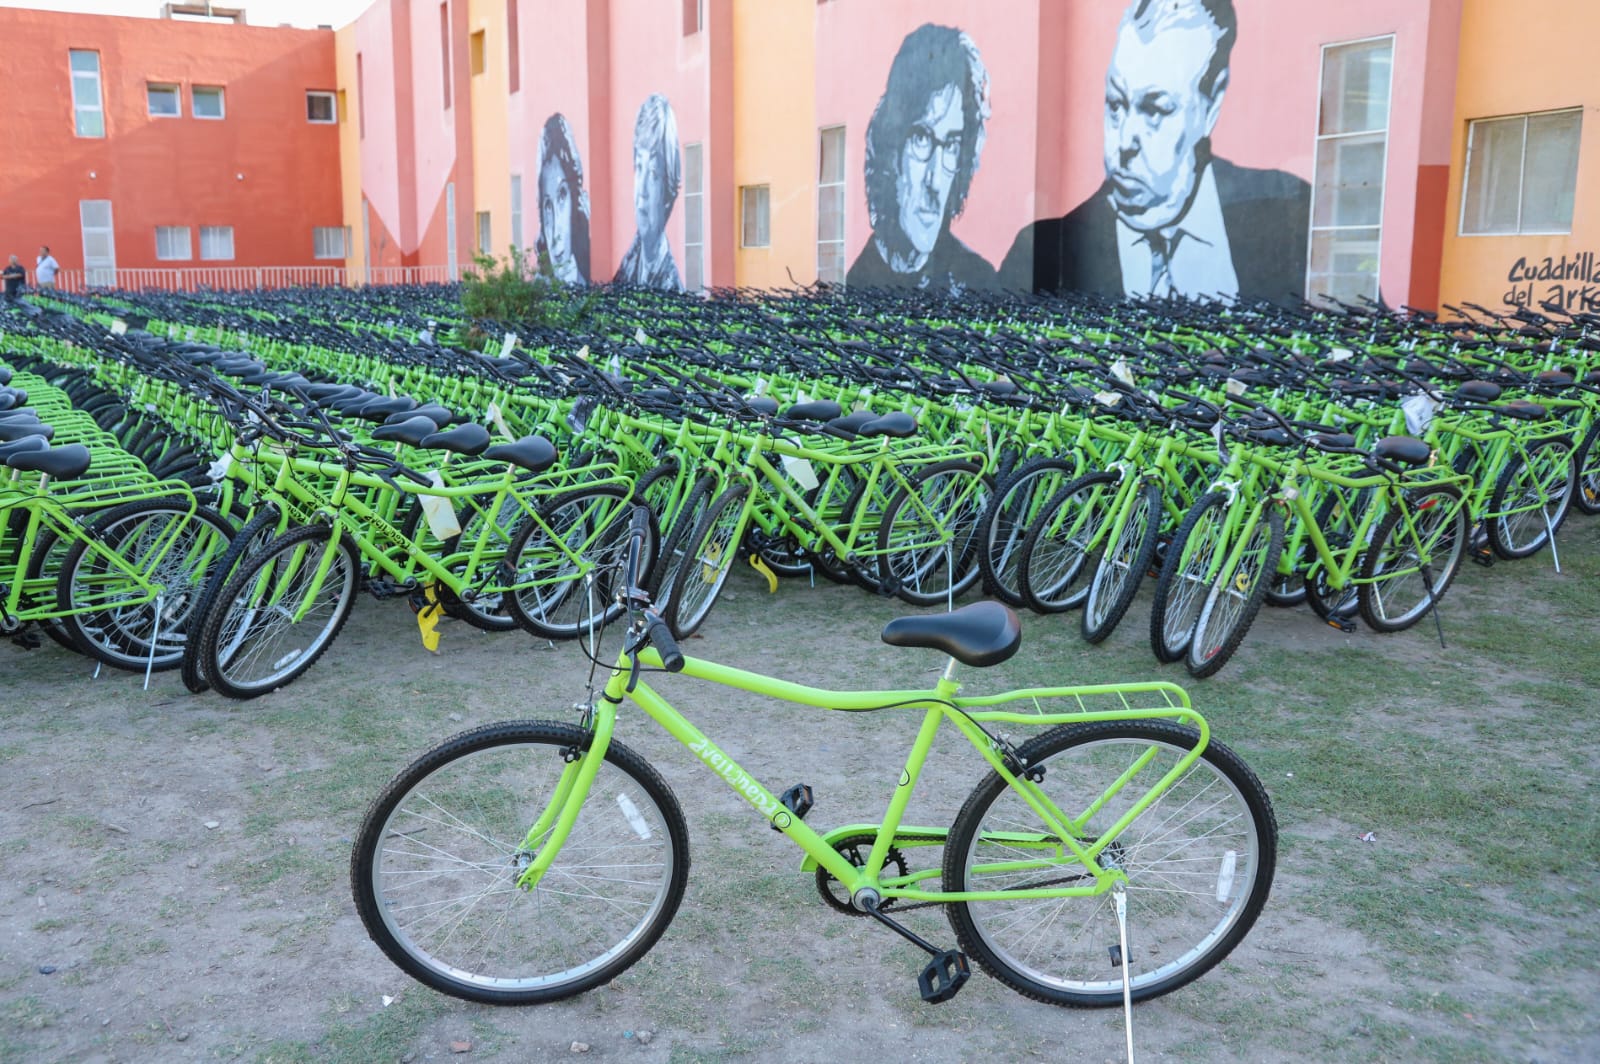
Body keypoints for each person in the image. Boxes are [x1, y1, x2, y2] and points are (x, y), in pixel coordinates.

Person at [1001, 0, 1310, 303]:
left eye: (1155, 109)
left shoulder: (1291, 210)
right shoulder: (1041, 246)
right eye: (1116, 104)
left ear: (1211, 104)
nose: (1124, 142)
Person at [847, 24, 998, 295]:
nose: (936, 182)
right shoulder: (860, 283)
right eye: (922, 139)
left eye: (951, 145)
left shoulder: (980, 280)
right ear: (891, 150)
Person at [614, 94, 682, 291]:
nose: (641, 191)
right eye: (639, 168)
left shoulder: (671, 286)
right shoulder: (626, 268)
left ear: (668, 195)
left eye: (652, 173)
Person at [535, 113, 592, 286]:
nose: (555, 236)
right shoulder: (537, 291)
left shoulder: (585, 280)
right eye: (547, 206)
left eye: (561, 197)